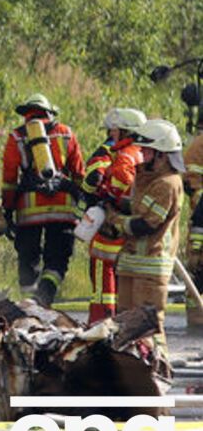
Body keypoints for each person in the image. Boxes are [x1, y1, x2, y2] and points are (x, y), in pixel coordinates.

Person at [1, 93, 85, 307]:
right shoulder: (66, 133)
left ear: (26, 114)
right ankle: (46, 294)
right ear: (49, 112)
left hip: (29, 211)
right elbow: (78, 173)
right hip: (63, 210)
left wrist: (8, 211)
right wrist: (78, 199)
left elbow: (10, 179)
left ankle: (29, 304)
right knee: (57, 258)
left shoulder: (17, 137)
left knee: (28, 258)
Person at [114, 118, 185, 348]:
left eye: (147, 151)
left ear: (162, 155)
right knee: (124, 325)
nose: (141, 155)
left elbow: (147, 224)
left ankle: (156, 371)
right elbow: (137, 208)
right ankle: (129, 373)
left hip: (150, 268)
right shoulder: (148, 179)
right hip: (132, 263)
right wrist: (111, 202)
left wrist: (115, 221)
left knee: (148, 328)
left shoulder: (168, 183)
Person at [78, 108, 145, 323]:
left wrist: (107, 195)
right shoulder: (143, 152)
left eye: (114, 131)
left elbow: (119, 184)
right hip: (129, 230)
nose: (110, 136)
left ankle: (100, 322)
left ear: (125, 131)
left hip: (110, 232)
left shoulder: (125, 155)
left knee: (103, 282)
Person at [184, 125, 203, 332]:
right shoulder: (199, 145)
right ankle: (196, 321)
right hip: (201, 218)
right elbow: (190, 182)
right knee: (198, 273)